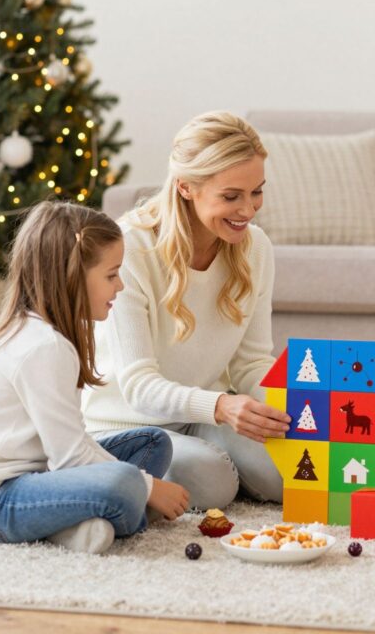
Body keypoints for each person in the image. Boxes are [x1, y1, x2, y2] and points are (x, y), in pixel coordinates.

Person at [0, 202, 189, 555]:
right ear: (71, 276)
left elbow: (68, 447)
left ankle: (72, 523)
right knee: (128, 481)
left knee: (152, 443)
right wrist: (148, 488)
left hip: (38, 473)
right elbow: (71, 458)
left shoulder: (46, 335)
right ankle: (89, 520)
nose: (121, 286)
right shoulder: (42, 346)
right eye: (112, 275)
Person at [82, 111, 291, 509]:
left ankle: (216, 461)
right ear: (185, 187)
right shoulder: (131, 249)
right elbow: (139, 387)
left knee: (292, 473)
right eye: (231, 196)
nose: (248, 210)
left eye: (256, 192)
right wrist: (221, 405)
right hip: (126, 423)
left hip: (200, 417)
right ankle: (112, 472)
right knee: (213, 484)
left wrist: (304, 408)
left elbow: (250, 364)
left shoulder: (256, 247)